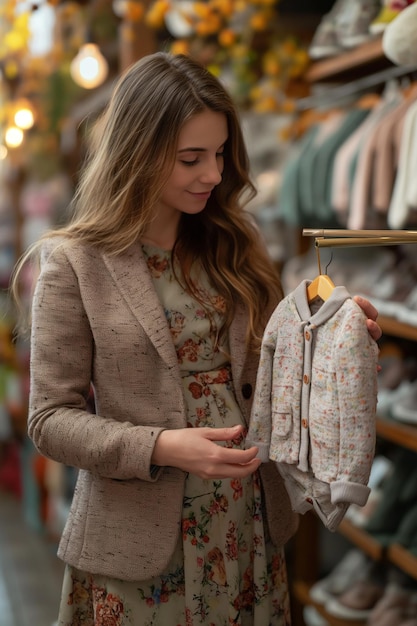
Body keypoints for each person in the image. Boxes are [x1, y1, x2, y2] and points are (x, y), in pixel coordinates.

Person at [11, 51, 381, 626]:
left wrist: (331, 340)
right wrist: (161, 446)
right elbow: (50, 420)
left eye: (220, 155)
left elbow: (271, 371)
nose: (213, 174)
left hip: (246, 520)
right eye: (191, 158)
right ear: (139, 152)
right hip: (137, 542)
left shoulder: (236, 245)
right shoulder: (75, 262)